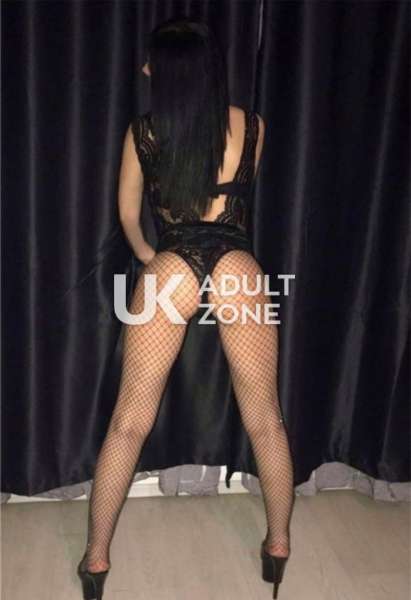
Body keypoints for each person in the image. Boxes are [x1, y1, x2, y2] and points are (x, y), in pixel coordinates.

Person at [77, 17, 295, 600]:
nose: (146, 69)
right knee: (266, 419)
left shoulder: (144, 133)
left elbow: (129, 216)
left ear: (172, 71)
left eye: (153, 62)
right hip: (238, 267)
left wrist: (153, 257)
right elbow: (234, 207)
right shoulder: (253, 127)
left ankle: (96, 560)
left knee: (128, 422)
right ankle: (278, 546)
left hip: (172, 266)